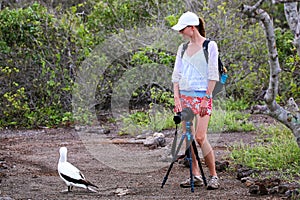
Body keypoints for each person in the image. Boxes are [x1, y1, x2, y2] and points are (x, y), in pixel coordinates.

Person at [171, 11, 220, 190]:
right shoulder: (182, 48)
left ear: (192, 28)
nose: (181, 33)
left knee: (200, 136)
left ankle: (213, 175)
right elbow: (176, 75)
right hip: (185, 95)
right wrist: (177, 97)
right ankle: (196, 174)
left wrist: (206, 98)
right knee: (189, 138)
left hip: (202, 96)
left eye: (183, 29)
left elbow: (213, 74)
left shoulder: (210, 45)